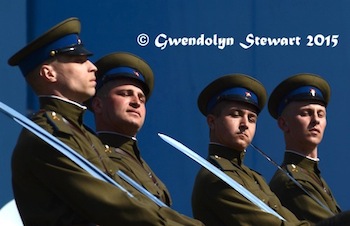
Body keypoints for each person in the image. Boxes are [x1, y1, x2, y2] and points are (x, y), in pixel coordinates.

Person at [9, 17, 203, 226]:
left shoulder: (82, 135)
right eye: (79, 60)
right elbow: (111, 204)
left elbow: (133, 200)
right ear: (49, 73)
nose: (92, 67)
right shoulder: (48, 136)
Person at [190, 74, 350, 226]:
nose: (245, 124)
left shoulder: (252, 177)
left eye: (251, 118)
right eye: (235, 114)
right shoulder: (216, 177)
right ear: (212, 121)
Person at [89, 52, 172, 205]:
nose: (136, 102)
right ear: (98, 104)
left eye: (142, 98)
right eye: (125, 94)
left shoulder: (139, 163)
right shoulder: (94, 158)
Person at [268, 73, 341, 224]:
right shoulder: (290, 181)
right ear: (284, 124)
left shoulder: (312, 176)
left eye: (320, 114)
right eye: (305, 113)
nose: (315, 120)